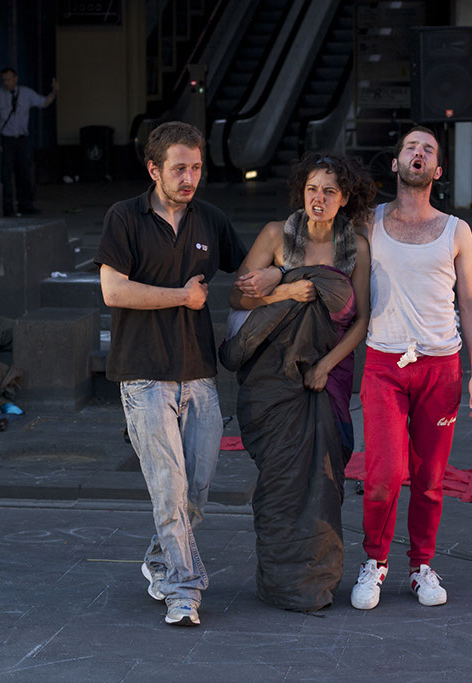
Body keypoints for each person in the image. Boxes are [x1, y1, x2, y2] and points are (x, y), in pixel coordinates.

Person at [95, 122, 279, 627]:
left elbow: (247, 274)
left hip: (198, 372)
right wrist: (182, 296)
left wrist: (277, 273)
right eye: (179, 168)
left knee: (195, 490)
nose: (189, 177)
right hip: (143, 374)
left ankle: (160, 560)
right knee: (169, 489)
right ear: (153, 169)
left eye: (196, 167)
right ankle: (183, 590)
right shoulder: (124, 217)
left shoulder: (210, 219)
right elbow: (113, 291)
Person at [221, 153, 375, 611]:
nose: (318, 198)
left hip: (327, 376)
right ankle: (279, 582)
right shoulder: (276, 235)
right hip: (274, 378)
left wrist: (325, 365)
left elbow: (361, 320)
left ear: (344, 198)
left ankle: (315, 581)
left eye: (329, 191)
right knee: (280, 481)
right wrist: (285, 287)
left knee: (323, 481)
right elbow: (236, 298)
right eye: (311, 189)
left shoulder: (356, 247)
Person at [350, 126, 472, 611]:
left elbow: (469, 302)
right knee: (384, 474)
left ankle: (421, 566)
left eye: (428, 149)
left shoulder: (456, 230)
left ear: (437, 170)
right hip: (384, 363)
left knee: (429, 478)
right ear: (396, 163)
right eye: (411, 147)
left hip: (441, 365)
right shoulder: (368, 221)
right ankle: (375, 561)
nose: (419, 153)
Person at [0, 68, 59, 216]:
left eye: (9, 79)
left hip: (22, 139)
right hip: (6, 139)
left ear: (16, 79)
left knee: (24, 173)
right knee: (6, 175)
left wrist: (54, 93)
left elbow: (44, 103)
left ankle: (26, 205)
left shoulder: (26, 93)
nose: (6, 83)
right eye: (4, 80)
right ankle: (8, 207)